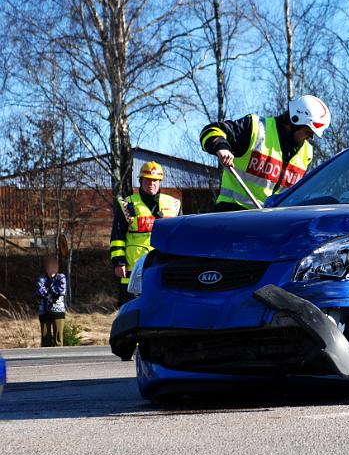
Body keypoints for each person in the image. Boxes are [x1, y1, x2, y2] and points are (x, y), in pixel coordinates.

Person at [199, 95, 331, 211]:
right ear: (294, 121)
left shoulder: (307, 153)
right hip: (233, 214)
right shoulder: (256, 128)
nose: (309, 138)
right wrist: (222, 147)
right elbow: (212, 130)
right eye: (308, 132)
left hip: (270, 223)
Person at [109, 161, 182, 305]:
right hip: (134, 268)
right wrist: (118, 262)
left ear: (160, 182)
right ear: (141, 180)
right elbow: (117, 236)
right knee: (134, 308)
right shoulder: (127, 205)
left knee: (163, 306)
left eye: (155, 180)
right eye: (148, 179)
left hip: (164, 264)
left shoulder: (173, 205)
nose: (151, 183)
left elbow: (180, 237)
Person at [36, 256, 67, 347]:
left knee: (58, 339)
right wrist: (51, 291)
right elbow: (40, 292)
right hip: (44, 312)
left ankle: (58, 358)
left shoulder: (61, 277)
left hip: (58, 312)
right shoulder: (41, 278)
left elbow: (61, 291)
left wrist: (48, 291)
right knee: (45, 338)